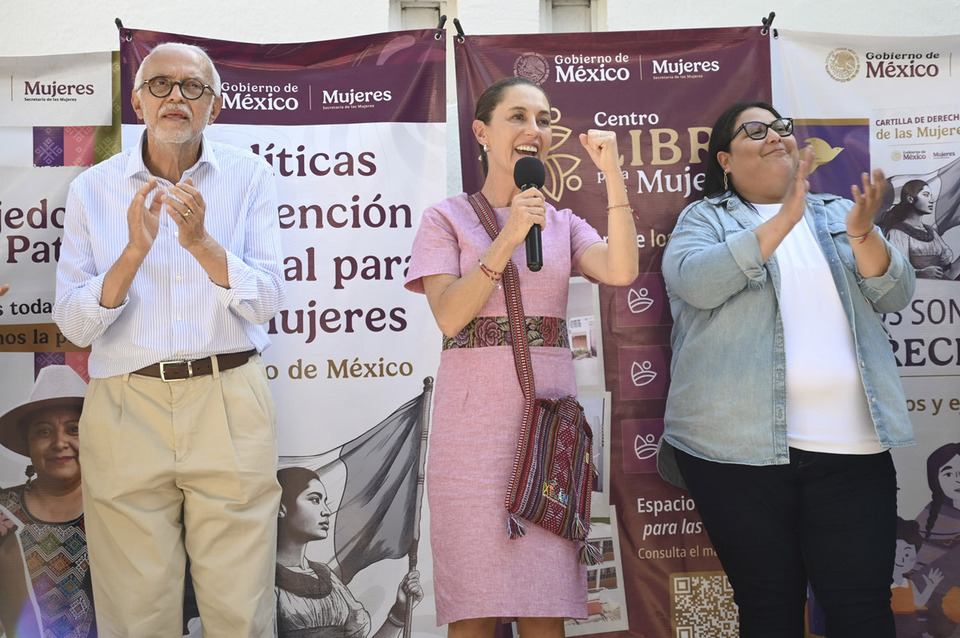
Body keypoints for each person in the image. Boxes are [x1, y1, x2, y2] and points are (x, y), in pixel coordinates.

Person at [657, 101, 916, 637]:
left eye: (781, 127)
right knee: (769, 610)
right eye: (756, 130)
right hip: (736, 453)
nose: (775, 135)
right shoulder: (704, 218)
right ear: (725, 160)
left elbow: (895, 294)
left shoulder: (837, 214)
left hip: (852, 450)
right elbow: (696, 283)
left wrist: (864, 234)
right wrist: (783, 219)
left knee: (863, 611)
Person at [52, 42, 285, 636]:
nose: (176, 97)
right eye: (160, 85)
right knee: (135, 609)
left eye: (193, 87)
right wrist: (134, 252)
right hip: (125, 403)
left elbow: (266, 302)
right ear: (137, 102)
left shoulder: (250, 177)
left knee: (240, 605)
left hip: (228, 395)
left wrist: (202, 244)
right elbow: (74, 325)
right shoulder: (93, 189)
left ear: (216, 105)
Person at [404, 76, 638, 638]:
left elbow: (622, 269)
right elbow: (450, 317)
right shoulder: (445, 218)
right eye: (518, 117)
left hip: (547, 433)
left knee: (544, 606)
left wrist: (612, 174)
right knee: (473, 610)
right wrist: (508, 235)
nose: (534, 129)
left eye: (544, 119)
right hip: (471, 437)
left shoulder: (564, 223)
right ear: (481, 132)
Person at [0, 364, 93, 638]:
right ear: (27, 443)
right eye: (43, 431)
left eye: (74, 429)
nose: (59, 442)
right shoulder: (3, 510)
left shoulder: (115, 508)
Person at [275, 467, 423, 638]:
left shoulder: (327, 577)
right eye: (315, 500)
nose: (326, 511)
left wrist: (399, 612)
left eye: (324, 501)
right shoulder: (264, 579)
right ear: (281, 508)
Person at [879, 179, 958, 279]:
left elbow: (946, 263)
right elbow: (898, 269)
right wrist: (920, 273)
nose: (931, 200)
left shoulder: (931, 231)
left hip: (938, 285)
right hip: (916, 286)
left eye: (931, 195)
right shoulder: (897, 233)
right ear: (910, 199)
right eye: (926, 195)